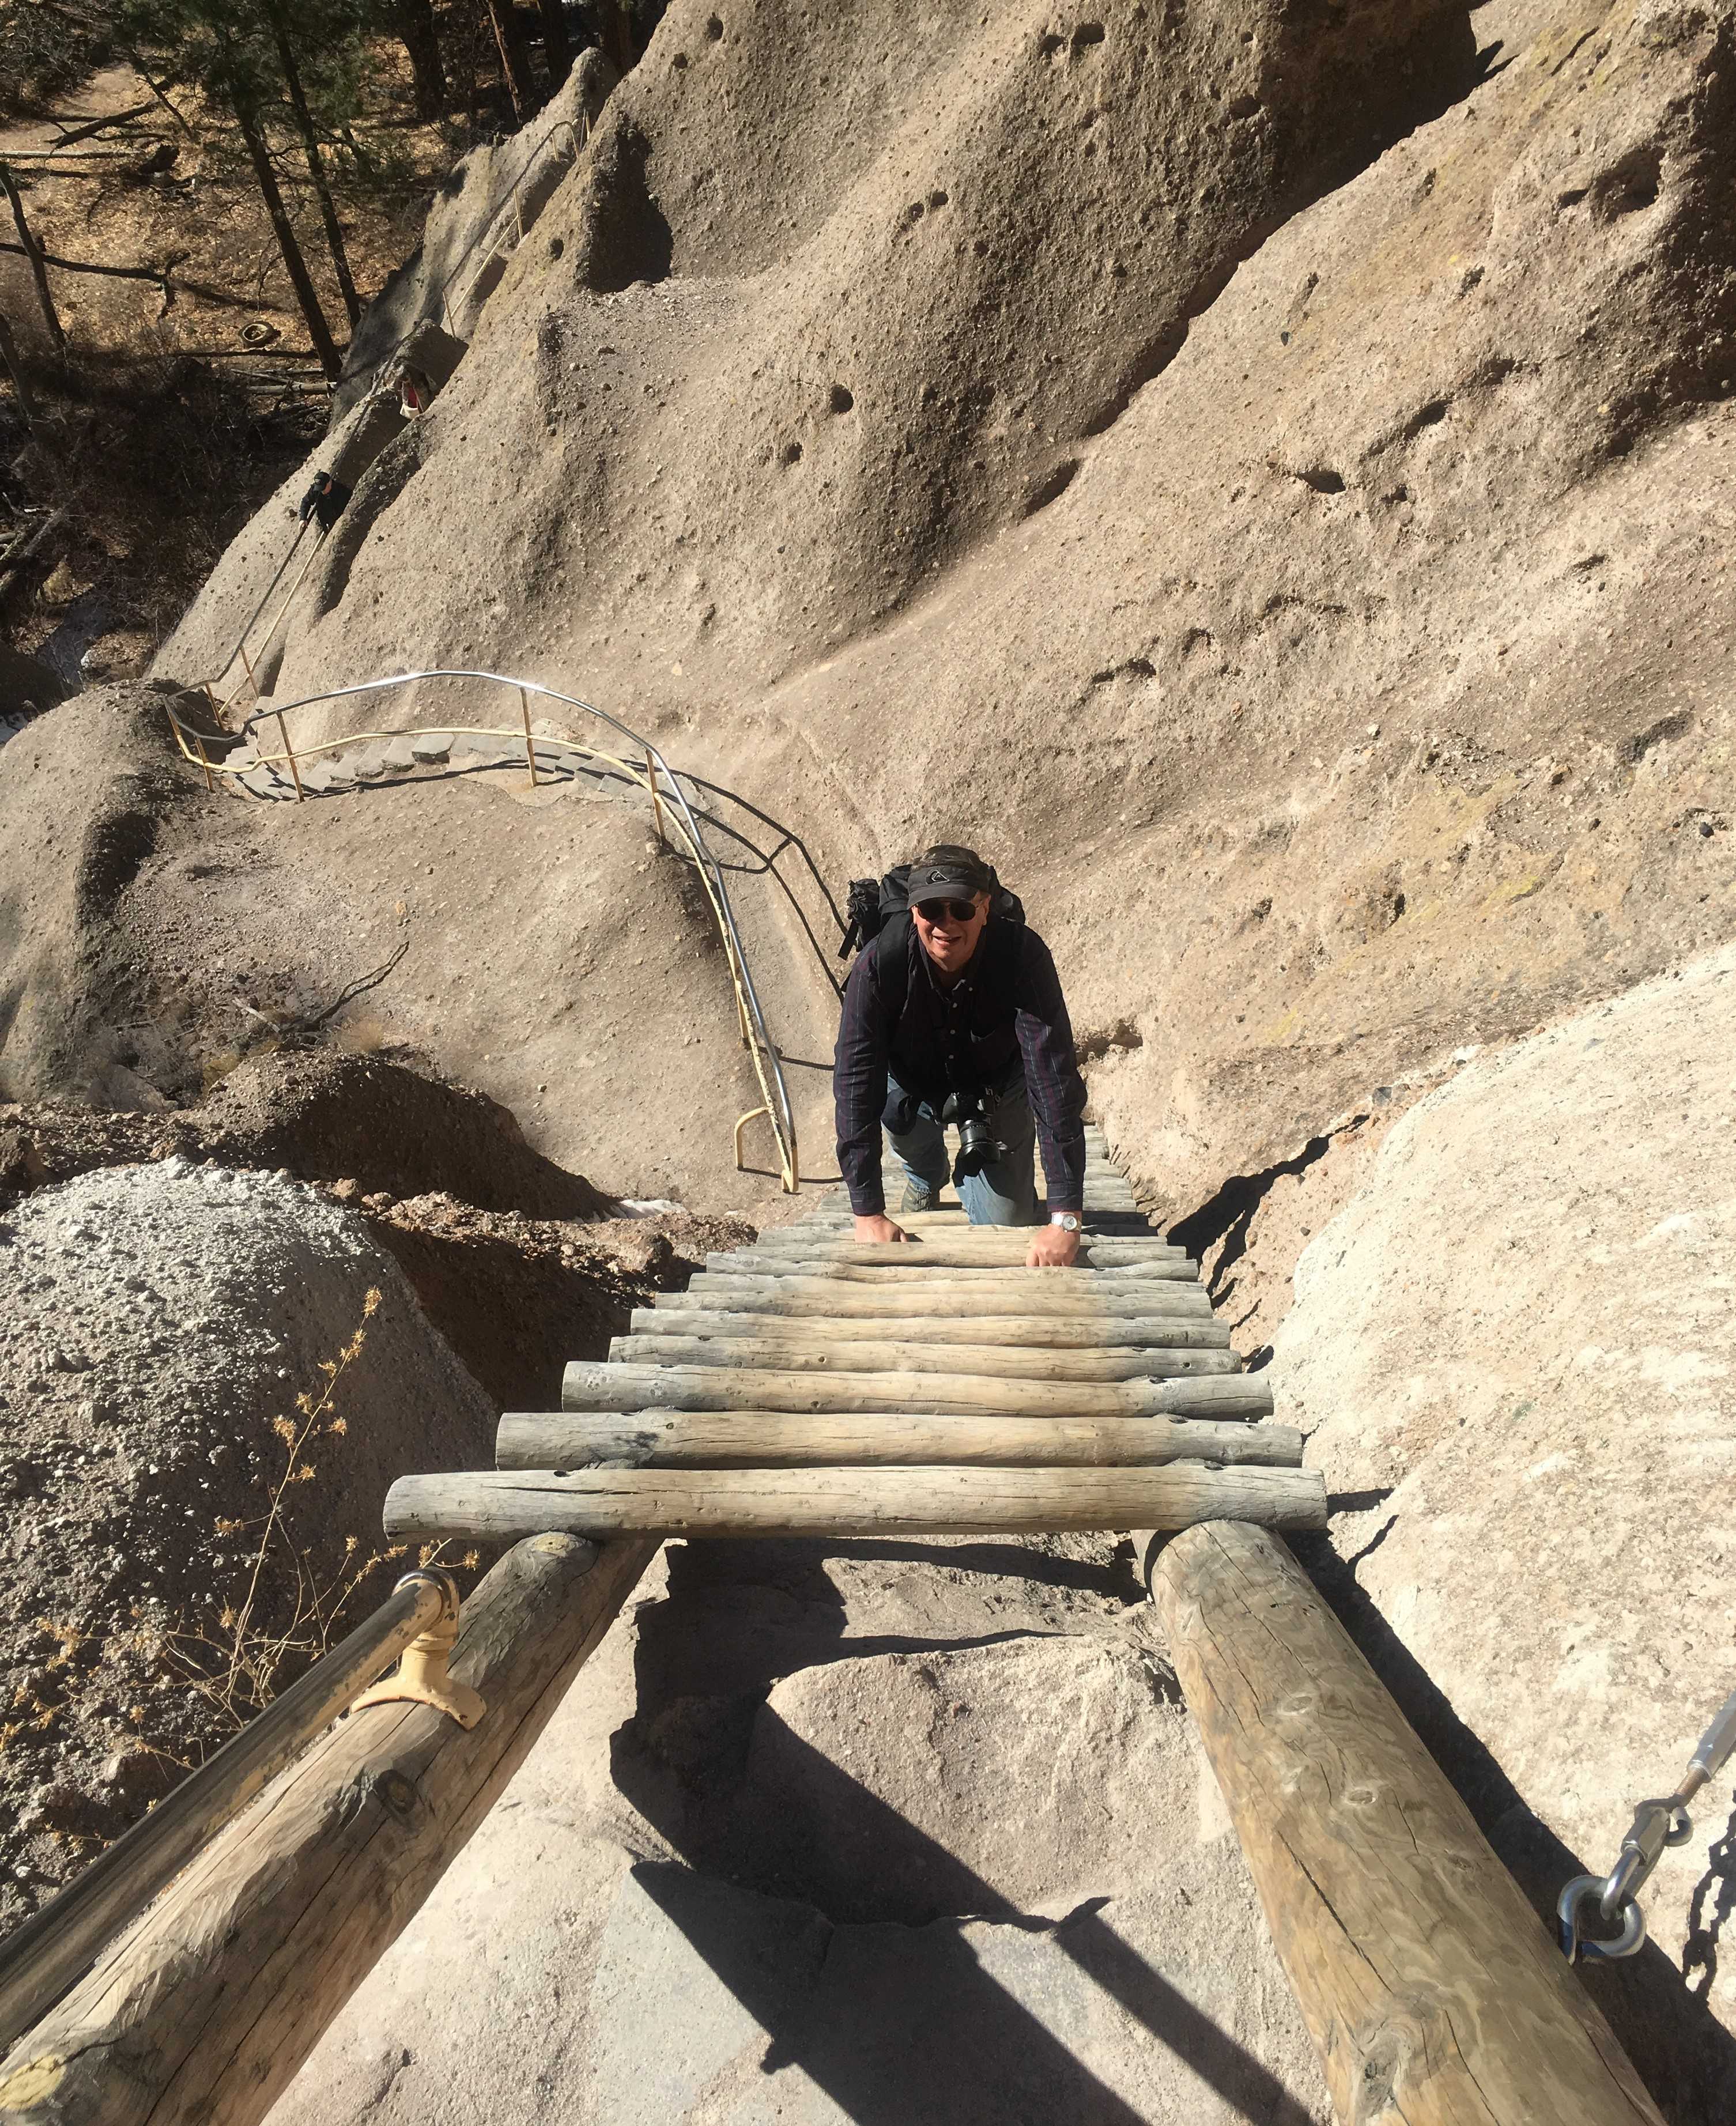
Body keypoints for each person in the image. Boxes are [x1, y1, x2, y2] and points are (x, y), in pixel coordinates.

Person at [833, 843, 1088, 1268]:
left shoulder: (1022, 957)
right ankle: (925, 1177)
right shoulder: (880, 964)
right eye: (932, 910)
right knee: (905, 1133)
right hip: (911, 1083)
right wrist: (868, 1212)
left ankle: (983, 1177)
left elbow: (1053, 1080)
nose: (945, 924)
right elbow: (855, 1083)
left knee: (1009, 1225)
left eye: (962, 910)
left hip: (996, 1084)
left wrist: (1065, 1218)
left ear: (985, 908)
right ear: (914, 913)